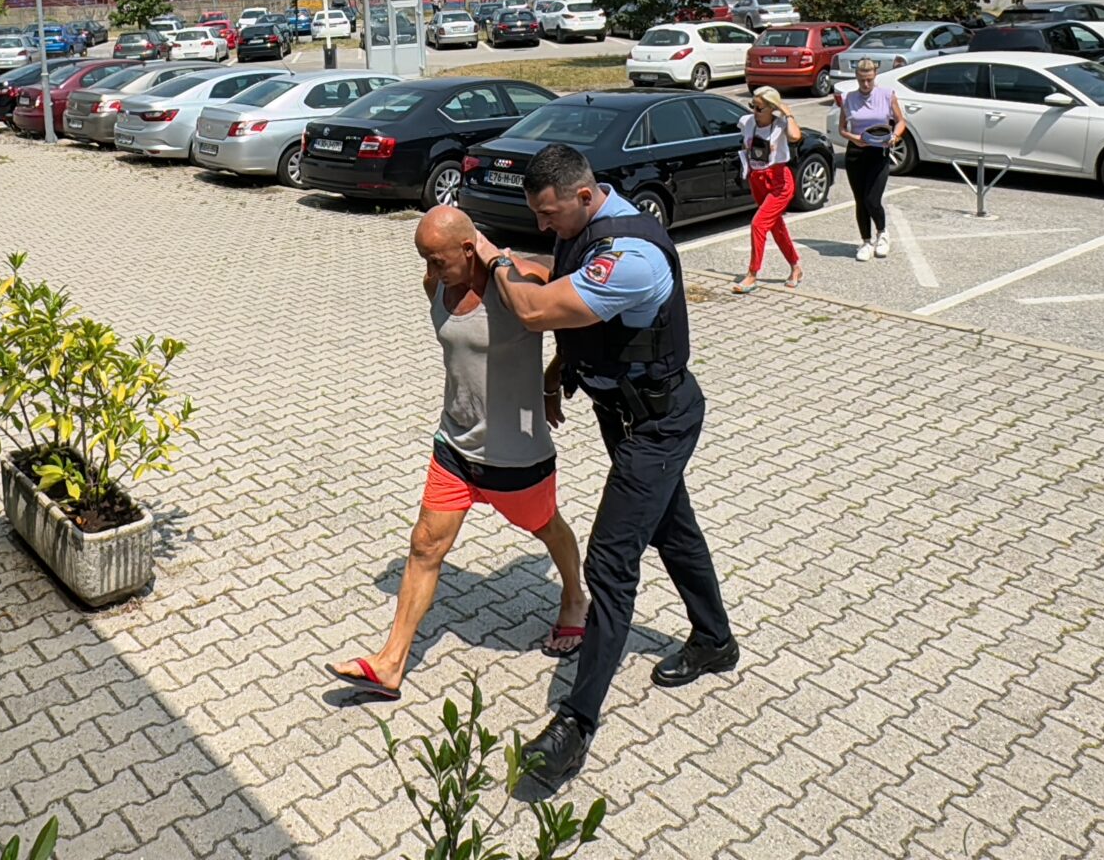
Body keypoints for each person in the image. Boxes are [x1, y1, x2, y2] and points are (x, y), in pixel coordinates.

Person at [480, 144, 736, 787]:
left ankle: (576, 722)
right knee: (673, 530)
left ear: (585, 196)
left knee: (610, 560)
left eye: (548, 213)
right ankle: (715, 641)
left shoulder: (634, 256)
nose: (542, 227)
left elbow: (539, 308)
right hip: (623, 415)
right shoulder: (586, 230)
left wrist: (493, 258)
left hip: (660, 421)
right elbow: (573, 295)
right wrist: (557, 373)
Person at [322, 207, 591, 700]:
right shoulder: (437, 287)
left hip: (516, 455)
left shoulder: (522, 281)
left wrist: (554, 379)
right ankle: (390, 663)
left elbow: (579, 312)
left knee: (547, 526)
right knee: (425, 546)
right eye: (423, 259)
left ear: (470, 250)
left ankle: (575, 597)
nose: (429, 272)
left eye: (437, 260)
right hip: (454, 446)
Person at [834, 58, 907, 262]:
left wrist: (895, 136)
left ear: (875, 76)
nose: (865, 84)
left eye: (869, 80)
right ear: (856, 78)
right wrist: (854, 138)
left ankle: (882, 233)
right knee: (860, 200)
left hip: (879, 151)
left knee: (872, 199)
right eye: (861, 80)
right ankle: (865, 241)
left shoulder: (886, 95)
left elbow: (900, 121)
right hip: (857, 152)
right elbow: (842, 128)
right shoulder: (849, 98)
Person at [733, 86, 803, 293]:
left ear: (771, 108)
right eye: (752, 105)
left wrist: (787, 112)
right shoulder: (747, 123)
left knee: (758, 224)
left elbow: (795, 136)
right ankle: (796, 266)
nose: (754, 110)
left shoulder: (781, 125)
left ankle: (752, 275)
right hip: (757, 179)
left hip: (779, 181)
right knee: (775, 226)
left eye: (759, 108)